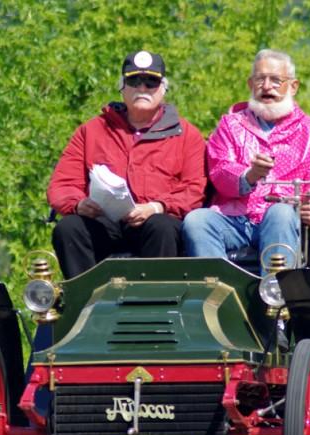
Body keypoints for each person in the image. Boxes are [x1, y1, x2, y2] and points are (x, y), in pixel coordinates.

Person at [182, 49, 310, 272]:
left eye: (276, 80)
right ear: (250, 84)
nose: (267, 87)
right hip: (234, 218)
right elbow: (219, 170)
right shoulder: (231, 125)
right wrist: (250, 175)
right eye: (260, 79)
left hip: (283, 222)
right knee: (196, 221)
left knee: (280, 212)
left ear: (293, 86)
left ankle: (275, 294)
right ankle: (218, 293)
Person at [48, 51, 206, 279]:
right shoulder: (91, 131)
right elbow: (62, 184)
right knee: (68, 228)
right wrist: (78, 204)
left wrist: (156, 207)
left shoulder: (186, 134)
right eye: (134, 81)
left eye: (151, 82)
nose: (142, 88)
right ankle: (85, 303)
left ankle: (159, 304)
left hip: (155, 221)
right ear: (122, 86)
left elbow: (195, 189)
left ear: (163, 88)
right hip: (103, 222)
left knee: (162, 227)